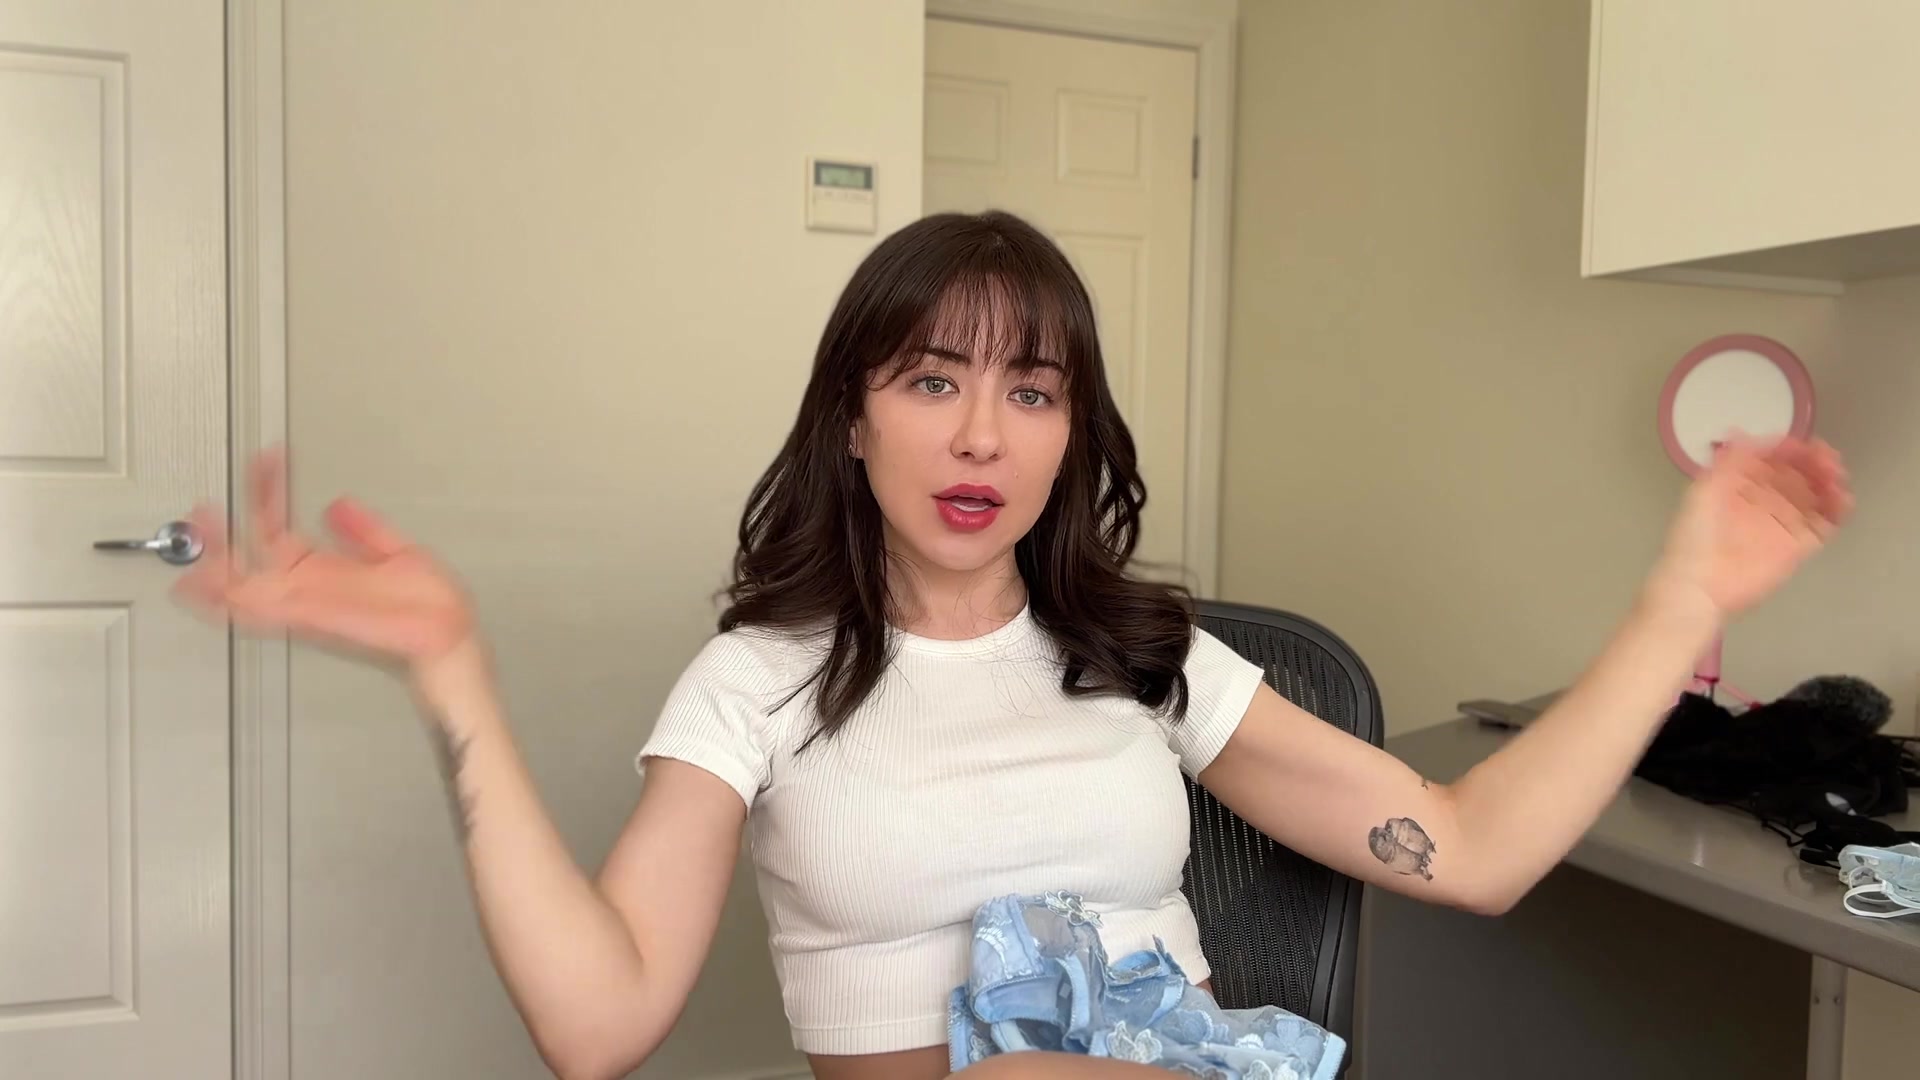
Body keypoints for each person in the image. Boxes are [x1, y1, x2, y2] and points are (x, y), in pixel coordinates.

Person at [174, 211, 1853, 1080]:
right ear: (853, 420)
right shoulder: (758, 683)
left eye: (1032, 391)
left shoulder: (1148, 656)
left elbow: (1469, 849)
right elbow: (599, 1027)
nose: (983, 433)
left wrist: (1681, 606)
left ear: (1070, 434)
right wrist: (451, 675)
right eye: (933, 380)